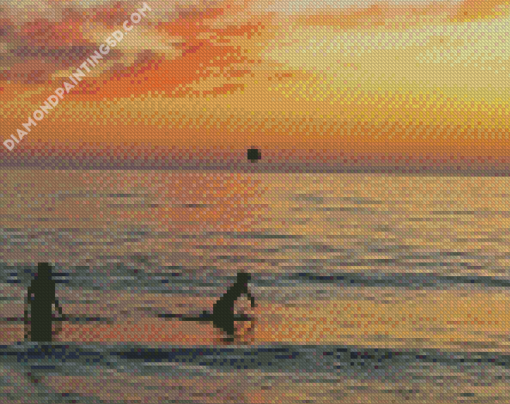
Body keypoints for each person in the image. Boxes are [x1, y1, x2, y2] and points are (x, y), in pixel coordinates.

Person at [24, 263, 63, 342]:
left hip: (37, 308)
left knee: (37, 335)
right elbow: (53, 298)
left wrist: (26, 312)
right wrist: (58, 309)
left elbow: (28, 297)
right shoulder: (50, 283)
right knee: (45, 335)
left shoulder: (35, 282)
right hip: (45, 308)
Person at [212, 272, 255, 341]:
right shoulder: (239, 286)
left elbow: (247, 295)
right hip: (223, 309)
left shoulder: (238, 287)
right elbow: (246, 294)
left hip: (223, 309)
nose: (246, 283)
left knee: (230, 318)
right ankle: (229, 334)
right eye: (246, 280)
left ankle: (229, 334)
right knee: (229, 318)